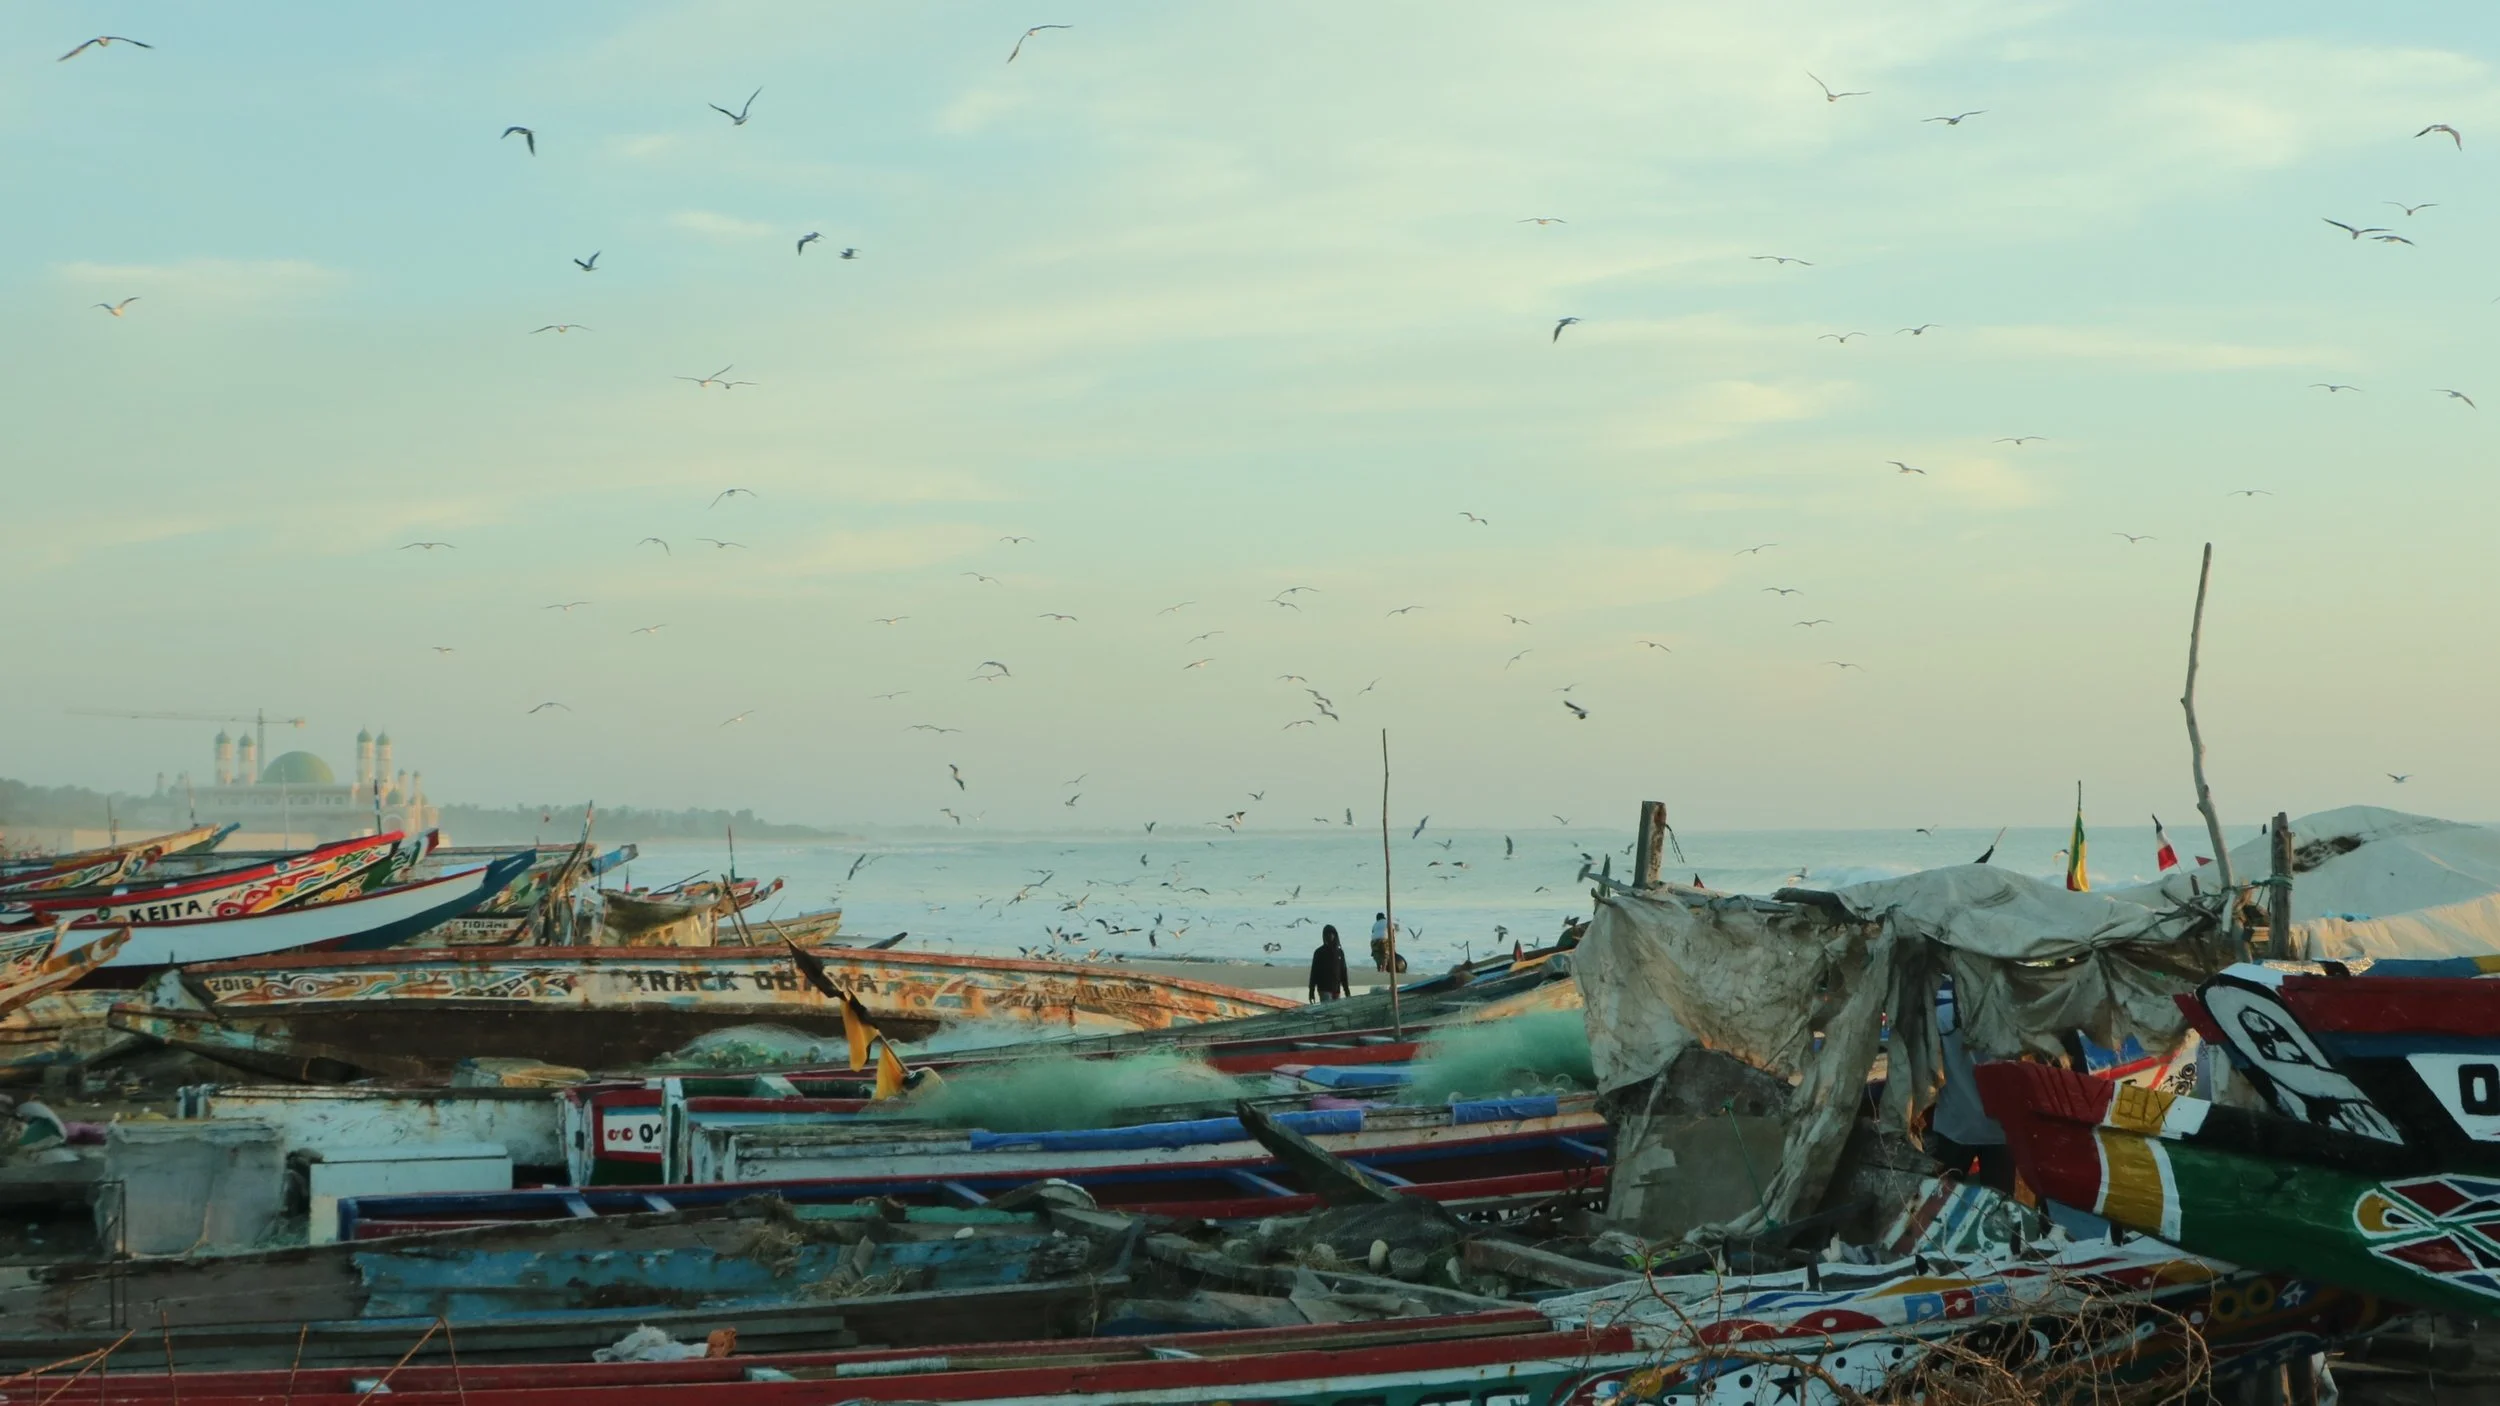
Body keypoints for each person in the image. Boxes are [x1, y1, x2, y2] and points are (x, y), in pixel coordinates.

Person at [1308, 924, 1350, 1003]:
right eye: (1327, 934)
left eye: (1331, 933)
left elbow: (1343, 971)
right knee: (1328, 1012)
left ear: (1335, 935)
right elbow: (1314, 972)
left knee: (1336, 1012)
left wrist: (1346, 990)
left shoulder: (1339, 952)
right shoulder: (1319, 952)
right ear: (1324, 936)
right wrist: (1311, 991)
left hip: (1336, 989)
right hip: (1324, 989)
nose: (1330, 936)